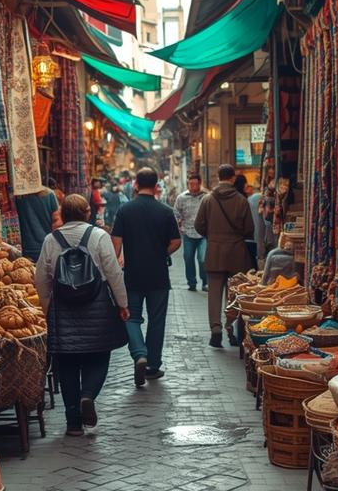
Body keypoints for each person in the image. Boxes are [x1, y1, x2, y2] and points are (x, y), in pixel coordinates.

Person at [35, 194, 129, 436]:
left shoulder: (50, 240)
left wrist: (46, 306)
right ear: (88, 213)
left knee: (66, 362)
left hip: (62, 309)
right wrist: (122, 303)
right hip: (96, 306)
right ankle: (88, 394)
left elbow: (41, 278)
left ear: (63, 215)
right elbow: (114, 273)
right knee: (98, 356)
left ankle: (73, 421)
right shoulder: (99, 236)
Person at [111, 167, 181, 387]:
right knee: (156, 320)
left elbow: (115, 245)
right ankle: (152, 365)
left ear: (136, 185)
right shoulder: (165, 211)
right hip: (158, 275)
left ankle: (139, 353)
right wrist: (161, 253)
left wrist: (119, 261)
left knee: (130, 317)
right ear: (157, 185)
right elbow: (176, 242)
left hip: (132, 274)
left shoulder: (125, 210)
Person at [195, 164, 255, 348]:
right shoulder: (241, 200)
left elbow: (199, 225)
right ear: (233, 178)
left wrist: (212, 237)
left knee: (214, 293)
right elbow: (249, 229)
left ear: (218, 176)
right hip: (237, 253)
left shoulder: (208, 199)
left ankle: (216, 329)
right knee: (234, 294)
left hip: (214, 252)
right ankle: (231, 329)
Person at [173, 174, 208, 291]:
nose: (192, 186)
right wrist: (179, 226)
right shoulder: (181, 198)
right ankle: (191, 282)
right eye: (190, 184)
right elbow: (176, 213)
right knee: (188, 258)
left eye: (195, 183)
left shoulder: (206, 197)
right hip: (188, 233)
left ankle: (205, 282)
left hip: (203, 234)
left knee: (202, 259)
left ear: (199, 183)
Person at [14, 180, 61, 261]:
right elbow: (57, 222)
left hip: (28, 248)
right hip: (47, 246)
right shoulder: (50, 194)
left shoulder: (19, 196)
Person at [234, 173, 258, 267]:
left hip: (238, 238)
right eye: (245, 183)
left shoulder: (236, 199)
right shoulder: (246, 200)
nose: (247, 185)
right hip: (248, 238)